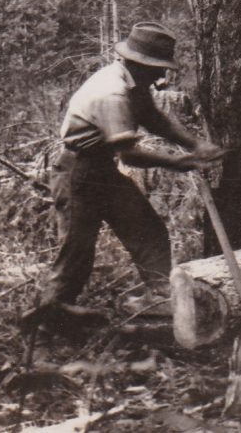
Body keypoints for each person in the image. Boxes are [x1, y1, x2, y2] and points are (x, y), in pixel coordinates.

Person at [33, 20, 222, 318]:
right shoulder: (114, 92)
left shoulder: (134, 82)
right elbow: (130, 155)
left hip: (101, 171)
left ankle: (159, 302)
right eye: (159, 66)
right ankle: (45, 326)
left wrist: (196, 145)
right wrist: (179, 163)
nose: (163, 73)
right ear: (141, 63)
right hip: (77, 173)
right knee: (76, 253)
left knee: (147, 231)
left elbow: (154, 120)